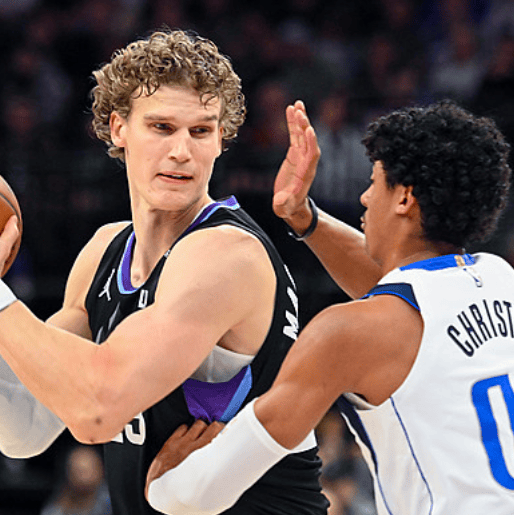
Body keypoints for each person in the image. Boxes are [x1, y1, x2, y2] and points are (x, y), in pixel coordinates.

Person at [0, 30, 329, 515]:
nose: (182, 150)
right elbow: (23, 428)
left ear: (221, 138)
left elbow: (97, 411)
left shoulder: (226, 255)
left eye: (201, 131)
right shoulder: (105, 251)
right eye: (162, 127)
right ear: (119, 128)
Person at [145, 99, 514, 515]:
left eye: (375, 182)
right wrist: (302, 216)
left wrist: (163, 485)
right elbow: (401, 289)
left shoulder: (346, 332)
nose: (364, 197)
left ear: (404, 198)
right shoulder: (499, 279)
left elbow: (204, 492)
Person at [40, 445, 112, 515]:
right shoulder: (58, 505)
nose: (83, 478)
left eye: (86, 471)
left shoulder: (112, 501)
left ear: (100, 470)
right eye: (78, 471)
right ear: (68, 474)